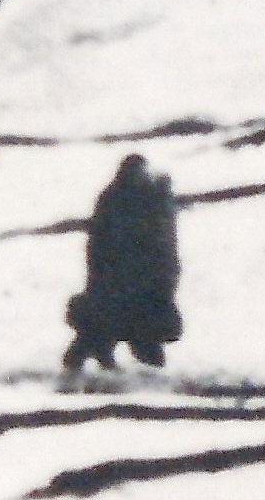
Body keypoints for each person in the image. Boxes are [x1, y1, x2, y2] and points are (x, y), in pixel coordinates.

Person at [62, 155, 181, 376]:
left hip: (137, 280)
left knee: (121, 327)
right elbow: (102, 240)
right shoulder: (121, 200)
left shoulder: (146, 202)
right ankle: (89, 361)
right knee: (110, 326)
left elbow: (162, 244)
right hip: (120, 278)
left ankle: (100, 360)